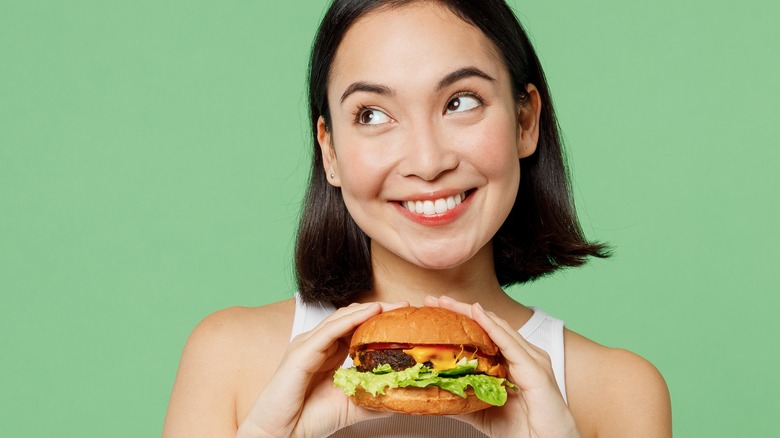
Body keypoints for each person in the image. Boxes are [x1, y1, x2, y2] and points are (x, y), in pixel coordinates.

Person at [162, 0, 672, 437]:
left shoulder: (617, 393)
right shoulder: (228, 358)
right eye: (373, 115)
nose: (428, 163)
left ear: (525, 121)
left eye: (461, 102)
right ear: (330, 152)